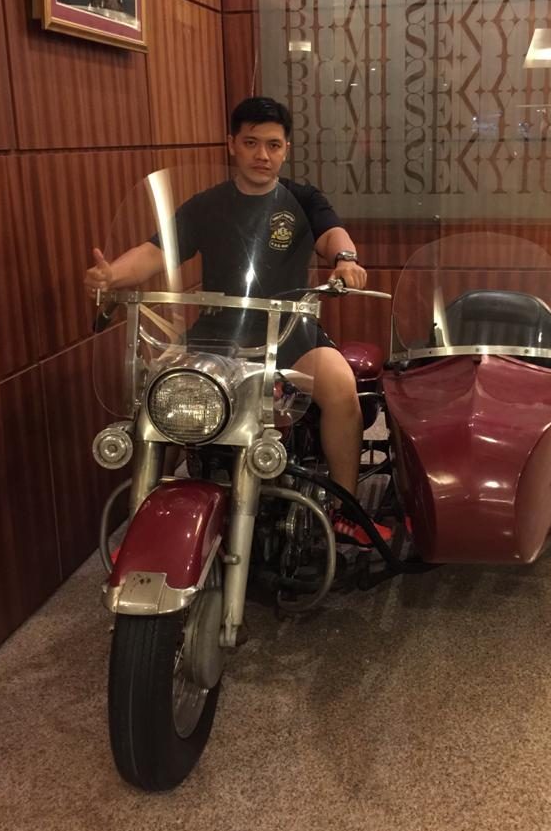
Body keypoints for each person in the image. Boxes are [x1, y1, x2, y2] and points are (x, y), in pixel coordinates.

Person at [84, 96, 390, 547]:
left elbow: (332, 234)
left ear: (285, 150)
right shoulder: (207, 205)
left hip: (289, 332)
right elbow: (154, 252)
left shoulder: (302, 199)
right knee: (159, 396)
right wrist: (111, 276)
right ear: (232, 144)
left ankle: (346, 510)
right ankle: (152, 508)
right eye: (251, 143)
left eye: (273, 145)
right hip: (216, 334)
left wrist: (345, 259)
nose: (262, 155)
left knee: (341, 389)